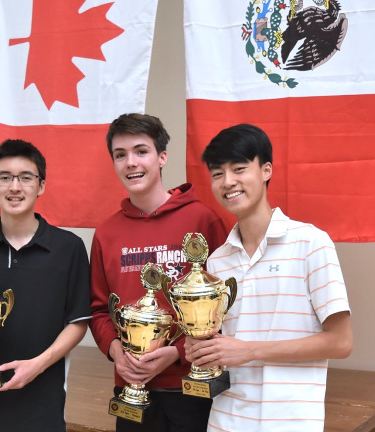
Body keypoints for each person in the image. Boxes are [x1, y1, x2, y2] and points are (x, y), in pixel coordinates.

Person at [185, 123, 353, 431]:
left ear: (266, 170)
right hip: (226, 420)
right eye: (218, 173)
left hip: (292, 421)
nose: (228, 181)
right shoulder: (217, 260)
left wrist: (249, 351)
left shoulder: (311, 243)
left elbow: (341, 342)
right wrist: (201, 348)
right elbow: (222, 344)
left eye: (239, 169)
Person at [89, 113, 228, 431]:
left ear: (162, 157)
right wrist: (116, 351)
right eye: (120, 155)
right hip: (130, 387)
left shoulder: (203, 220)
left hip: (191, 385)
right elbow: (98, 310)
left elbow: (224, 307)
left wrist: (177, 353)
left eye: (141, 151)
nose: (131, 162)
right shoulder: (106, 233)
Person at [0, 139, 91, 432]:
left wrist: (37, 365)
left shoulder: (68, 248)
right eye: (5, 177)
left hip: (43, 391)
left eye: (26, 178)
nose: (15, 187)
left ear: (41, 185)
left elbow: (78, 322)